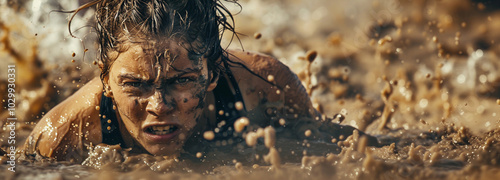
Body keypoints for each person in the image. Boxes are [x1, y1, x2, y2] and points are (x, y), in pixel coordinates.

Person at [23, 0, 378, 162]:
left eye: (182, 82)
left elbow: (329, 151)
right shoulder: (65, 131)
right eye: (136, 85)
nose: (159, 106)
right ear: (104, 77)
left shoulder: (266, 85)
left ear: (213, 72)